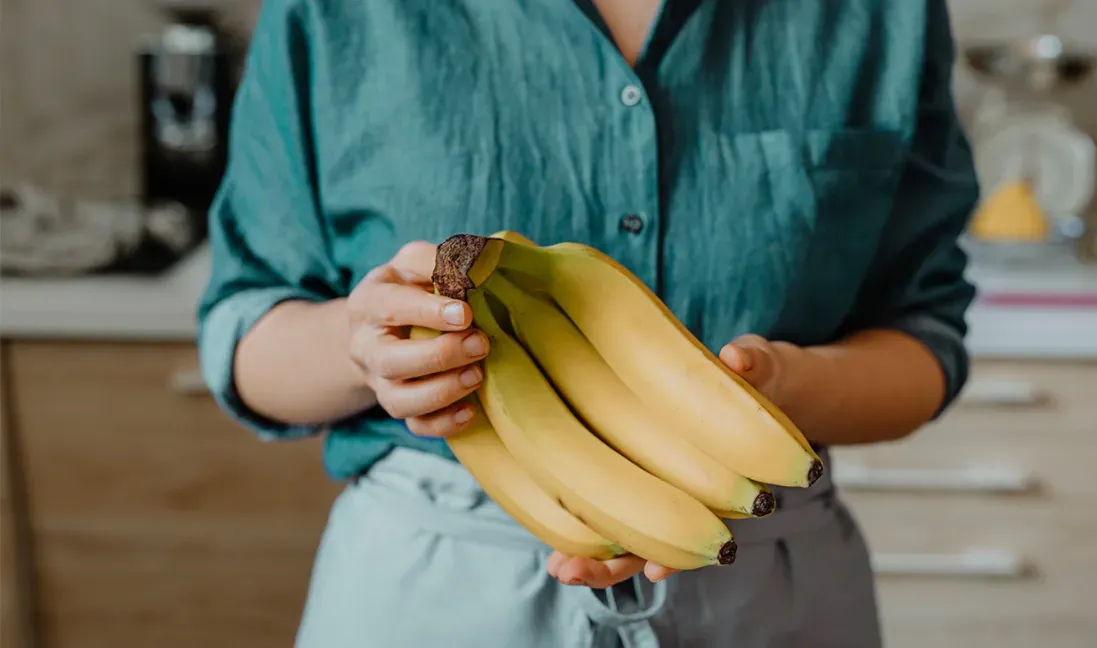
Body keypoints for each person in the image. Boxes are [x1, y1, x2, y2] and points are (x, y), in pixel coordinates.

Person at [196, 0, 980, 646]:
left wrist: (780, 390)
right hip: (438, 585)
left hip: (763, 573)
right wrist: (359, 349)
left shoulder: (883, 13)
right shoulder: (334, 15)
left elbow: (924, 332)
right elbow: (246, 329)